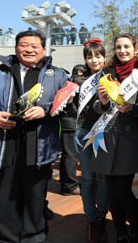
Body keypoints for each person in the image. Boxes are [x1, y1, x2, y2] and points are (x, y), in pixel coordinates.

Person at [0, 30, 70, 242]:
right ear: (15, 49)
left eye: (35, 46)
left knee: (35, 201)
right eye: (24, 45)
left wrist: (47, 111)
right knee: (1, 199)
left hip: (39, 147)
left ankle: (34, 238)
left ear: (44, 50)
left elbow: (71, 106)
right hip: (4, 145)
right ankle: (1, 239)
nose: (29, 49)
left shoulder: (59, 74)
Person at [92, 33, 138, 243]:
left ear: (135, 49)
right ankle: (120, 234)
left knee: (121, 190)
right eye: (118, 47)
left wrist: (132, 108)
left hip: (129, 139)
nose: (122, 50)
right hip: (107, 137)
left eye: (127, 46)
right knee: (111, 191)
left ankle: (136, 231)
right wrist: (101, 102)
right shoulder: (106, 73)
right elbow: (94, 107)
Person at [74, 38, 109, 243]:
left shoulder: (112, 76)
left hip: (104, 131)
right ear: (85, 59)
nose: (94, 60)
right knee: (87, 179)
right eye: (90, 56)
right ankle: (90, 221)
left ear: (104, 57)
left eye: (98, 56)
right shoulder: (79, 80)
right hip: (83, 130)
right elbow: (73, 109)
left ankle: (102, 218)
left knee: (103, 179)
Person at [59, 64, 85, 197]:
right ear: (80, 73)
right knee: (71, 156)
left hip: (67, 123)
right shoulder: (76, 83)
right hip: (71, 122)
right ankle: (70, 186)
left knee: (68, 155)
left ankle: (66, 184)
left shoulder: (67, 83)